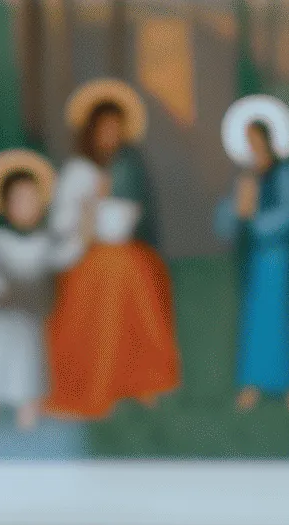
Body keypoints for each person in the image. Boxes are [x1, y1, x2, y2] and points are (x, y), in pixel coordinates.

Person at [44, 79, 181, 421]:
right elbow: (61, 222)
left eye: (116, 130)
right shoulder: (77, 170)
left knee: (144, 270)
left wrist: (124, 214)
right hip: (83, 253)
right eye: (104, 130)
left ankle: (140, 377)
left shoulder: (128, 166)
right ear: (91, 132)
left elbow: (139, 212)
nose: (110, 137)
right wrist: (89, 209)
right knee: (112, 274)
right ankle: (100, 379)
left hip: (122, 248)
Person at [0, 149, 74, 431]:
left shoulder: (44, 242)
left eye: (32, 200)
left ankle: (27, 413)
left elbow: (63, 256)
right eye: (19, 200)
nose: (26, 206)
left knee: (27, 365)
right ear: (4, 204)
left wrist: (83, 227)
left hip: (26, 319)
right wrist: (0, 288)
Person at [214, 95, 289, 416]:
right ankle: (253, 382)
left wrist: (255, 222)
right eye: (248, 141)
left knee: (281, 319)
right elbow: (228, 218)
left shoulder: (286, 173)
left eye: (257, 139)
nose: (253, 146)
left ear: (269, 140)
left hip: (278, 256)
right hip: (254, 258)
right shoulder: (246, 176)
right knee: (255, 320)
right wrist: (233, 211)